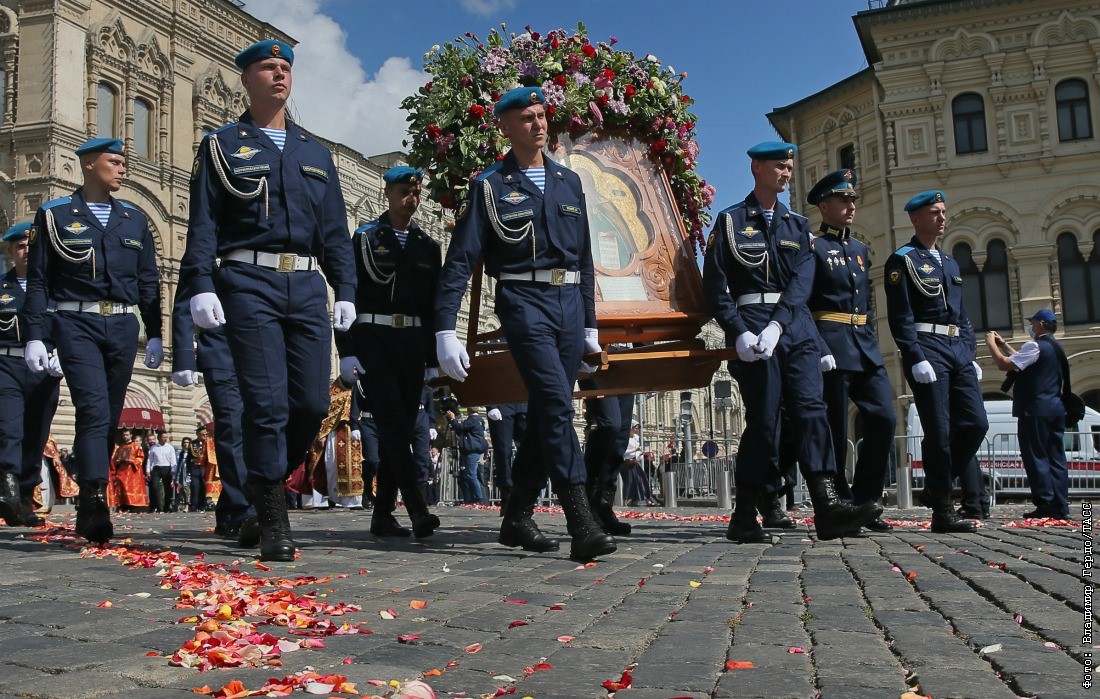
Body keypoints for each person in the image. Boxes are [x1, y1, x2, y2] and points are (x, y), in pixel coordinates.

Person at [181, 40, 357, 561]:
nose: (279, 75)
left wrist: (345, 288)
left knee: (311, 403)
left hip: (305, 286)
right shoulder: (220, 145)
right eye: (267, 67)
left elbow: (335, 233)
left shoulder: (313, 152)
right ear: (246, 79)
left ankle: (263, 487)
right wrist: (200, 284)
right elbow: (203, 224)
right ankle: (273, 518)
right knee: (264, 404)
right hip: (245, 281)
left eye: (285, 68)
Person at [434, 86, 615, 561]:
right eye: (527, 118)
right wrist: (444, 329)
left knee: (543, 414)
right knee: (557, 402)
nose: (539, 124)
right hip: (523, 300)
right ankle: (580, 518)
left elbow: (586, 258)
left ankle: (516, 515)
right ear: (506, 127)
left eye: (541, 115)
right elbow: (461, 260)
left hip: (570, 304)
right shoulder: (490, 185)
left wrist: (591, 324)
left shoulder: (568, 182)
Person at [702, 141, 881, 543]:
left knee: (811, 412)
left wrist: (780, 325)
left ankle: (827, 504)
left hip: (793, 329)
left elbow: (802, 283)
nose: (786, 173)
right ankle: (745, 514)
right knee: (764, 422)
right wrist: (738, 331)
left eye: (788, 167)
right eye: (779, 166)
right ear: (757, 168)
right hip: (750, 325)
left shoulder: (797, 225)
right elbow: (714, 285)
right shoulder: (730, 222)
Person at [23, 137, 163, 544]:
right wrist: (35, 335)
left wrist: (155, 332)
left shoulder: (134, 219)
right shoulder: (55, 215)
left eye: (123, 162)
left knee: (109, 413)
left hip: (122, 327)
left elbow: (148, 281)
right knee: (93, 407)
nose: (122, 169)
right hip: (75, 322)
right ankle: (95, 497)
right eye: (114, 162)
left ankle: (90, 495)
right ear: (88, 165)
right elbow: (39, 280)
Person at [337, 165, 441, 538]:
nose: (409, 198)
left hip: (411, 344)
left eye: (415, 192)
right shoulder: (364, 238)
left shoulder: (428, 246)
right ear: (388, 194)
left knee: (400, 425)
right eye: (402, 191)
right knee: (395, 425)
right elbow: (347, 294)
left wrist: (432, 359)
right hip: (374, 340)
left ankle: (382, 515)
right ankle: (416, 507)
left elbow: (431, 307)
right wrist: (345, 350)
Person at [883, 190, 988, 533]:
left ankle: (935, 483)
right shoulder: (903, 260)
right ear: (916, 219)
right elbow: (900, 315)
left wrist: (970, 353)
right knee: (938, 430)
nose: (942, 217)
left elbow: (963, 313)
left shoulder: (949, 261)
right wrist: (914, 356)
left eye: (943, 211)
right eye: (934, 213)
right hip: (927, 345)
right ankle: (943, 509)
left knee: (975, 424)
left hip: (957, 345)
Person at [805, 170, 897, 533]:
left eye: (853, 199)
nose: (851, 205)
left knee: (884, 417)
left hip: (864, 345)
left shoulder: (859, 250)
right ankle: (840, 502)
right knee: (834, 427)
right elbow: (802, 303)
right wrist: (818, 344)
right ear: (824, 206)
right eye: (843, 200)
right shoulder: (812, 248)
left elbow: (866, 302)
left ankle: (865, 499)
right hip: (832, 343)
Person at [172, 263, 254, 538]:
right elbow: (186, 300)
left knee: (263, 427)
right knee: (231, 426)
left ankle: (230, 508)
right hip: (221, 352)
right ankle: (244, 509)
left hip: (263, 350)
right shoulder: (207, 249)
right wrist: (184, 356)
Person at [0, 222, 63, 526]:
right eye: (20, 247)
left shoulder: (55, 289)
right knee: (9, 427)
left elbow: (70, 326)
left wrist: (61, 354)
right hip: (7, 366)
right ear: (10, 252)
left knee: (36, 433)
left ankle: (24, 498)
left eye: (31, 246)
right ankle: (8, 490)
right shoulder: (1, 287)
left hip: (44, 371)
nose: (26, 251)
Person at [986, 309, 1070, 518]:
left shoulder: (1035, 345)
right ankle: (1061, 504)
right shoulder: (1054, 346)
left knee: (1036, 457)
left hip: (1034, 409)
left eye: (1033, 323)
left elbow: (1004, 364)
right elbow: (1024, 359)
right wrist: (1004, 345)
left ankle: (1046, 503)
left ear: (1041, 324)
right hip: (1055, 408)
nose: (1031, 327)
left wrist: (990, 345)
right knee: (1056, 458)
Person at [581, 391, 634, 535]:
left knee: (621, 439)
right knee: (610, 425)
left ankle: (604, 507)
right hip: (598, 374)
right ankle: (590, 504)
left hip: (626, 375)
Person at [486, 402, 527, 510]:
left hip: (525, 404)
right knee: (503, 452)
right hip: (501, 403)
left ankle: (525, 492)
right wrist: (491, 405)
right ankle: (507, 495)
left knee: (528, 451)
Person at [449, 407, 487, 505]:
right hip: (470, 450)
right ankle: (474, 498)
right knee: (469, 476)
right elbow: (461, 431)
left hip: (471, 450)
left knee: (471, 476)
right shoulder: (478, 420)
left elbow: (460, 427)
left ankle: (479, 498)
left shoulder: (473, 420)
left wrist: (453, 419)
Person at [110, 429, 148, 511]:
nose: (125, 437)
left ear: (131, 435)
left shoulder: (136, 446)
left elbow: (141, 458)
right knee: (122, 487)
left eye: (127, 435)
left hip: (133, 472)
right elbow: (115, 459)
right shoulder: (120, 447)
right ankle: (123, 505)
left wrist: (132, 461)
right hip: (122, 471)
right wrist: (117, 461)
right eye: (124, 435)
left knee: (132, 488)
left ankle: (133, 505)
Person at [145, 430, 178, 513]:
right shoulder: (154, 448)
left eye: (166, 437)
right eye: (163, 437)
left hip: (166, 468)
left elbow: (173, 460)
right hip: (156, 468)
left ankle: (166, 506)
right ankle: (158, 506)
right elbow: (150, 460)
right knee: (155, 487)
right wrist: (148, 471)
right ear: (159, 438)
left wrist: (173, 470)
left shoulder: (170, 447)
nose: (165, 439)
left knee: (167, 489)